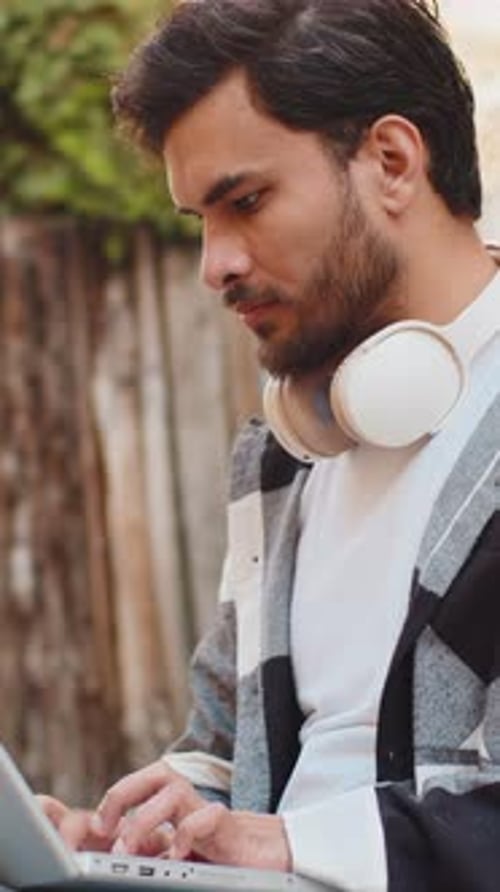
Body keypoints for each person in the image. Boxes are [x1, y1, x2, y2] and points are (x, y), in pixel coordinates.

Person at [41, 1, 500, 890]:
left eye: (244, 202)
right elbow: (228, 754)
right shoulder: (283, 458)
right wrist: (132, 829)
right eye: (198, 222)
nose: (214, 265)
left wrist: (291, 846)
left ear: (393, 162)